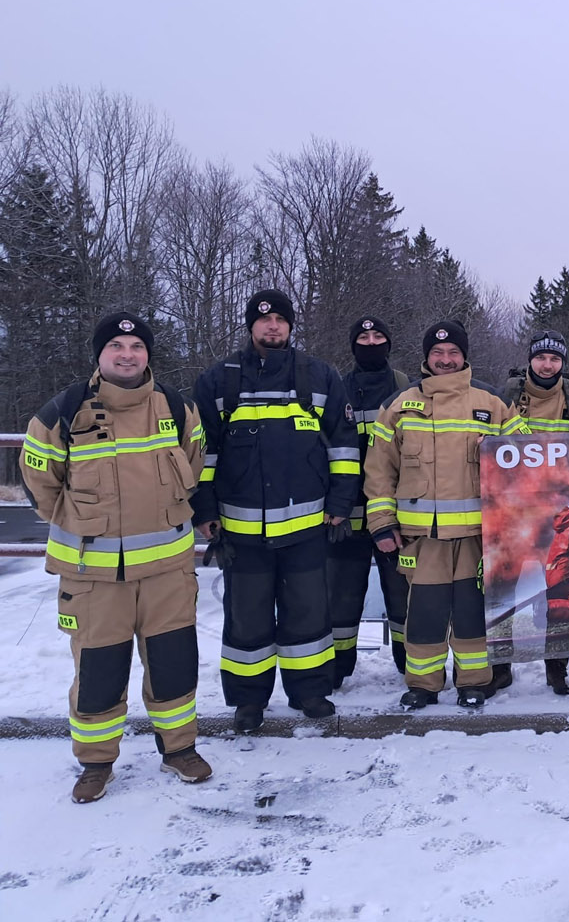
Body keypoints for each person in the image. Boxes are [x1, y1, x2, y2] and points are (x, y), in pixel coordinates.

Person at [22, 312, 211, 802]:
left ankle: (179, 750)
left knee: (174, 665)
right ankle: (96, 763)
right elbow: (40, 481)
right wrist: (80, 522)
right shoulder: (62, 412)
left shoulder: (177, 408)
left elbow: (194, 464)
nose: (127, 354)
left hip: (167, 571)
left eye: (136, 346)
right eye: (117, 346)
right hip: (93, 578)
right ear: (100, 355)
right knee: (98, 672)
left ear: (148, 355)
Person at [192, 288, 360, 732]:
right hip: (240, 530)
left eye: (281, 320)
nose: (273, 327)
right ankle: (249, 701)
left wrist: (341, 504)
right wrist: (204, 510)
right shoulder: (219, 380)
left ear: (290, 326)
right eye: (264, 320)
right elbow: (201, 453)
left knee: (308, 614)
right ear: (251, 326)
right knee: (246, 620)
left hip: (308, 527)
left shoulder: (320, 377)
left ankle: (309, 692)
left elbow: (344, 446)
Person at [364, 320, 525, 709]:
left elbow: (525, 462)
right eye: (438, 353)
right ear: (426, 358)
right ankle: (422, 684)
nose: (446, 360)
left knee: (473, 611)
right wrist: (382, 523)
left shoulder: (493, 403)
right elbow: (379, 469)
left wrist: (513, 520)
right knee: (424, 613)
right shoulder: (399, 405)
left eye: (453, 353)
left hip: (478, 534)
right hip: (421, 537)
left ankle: (474, 681)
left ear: (464, 356)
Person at [497, 329, 569, 696]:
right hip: (512, 513)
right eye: (541, 358)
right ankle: (500, 665)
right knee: (503, 594)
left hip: (558, 516)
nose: (547, 364)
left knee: (562, 593)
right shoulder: (505, 397)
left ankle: (557, 666)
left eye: (555, 359)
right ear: (530, 360)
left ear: (563, 363)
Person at [325, 316, 410, 686]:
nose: (371, 343)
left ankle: (412, 665)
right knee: (341, 599)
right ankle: (336, 669)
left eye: (378, 336)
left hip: (396, 516)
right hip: (347, 516)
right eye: (364, 337)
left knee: (403, 595)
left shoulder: (406, 388)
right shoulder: (338, 388)